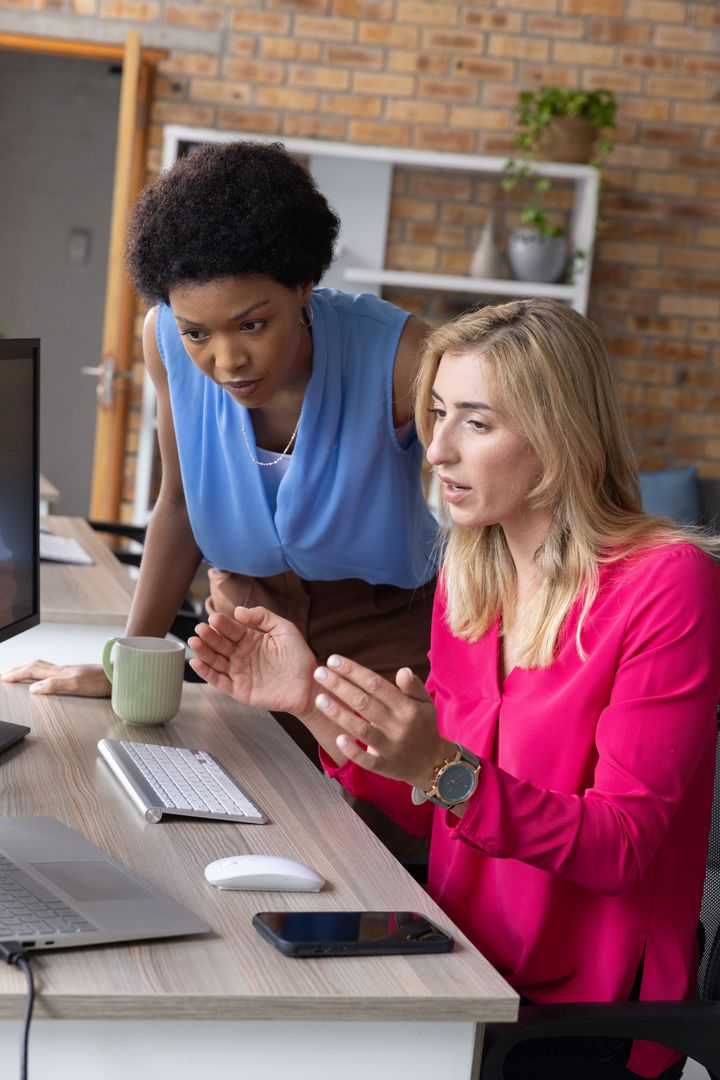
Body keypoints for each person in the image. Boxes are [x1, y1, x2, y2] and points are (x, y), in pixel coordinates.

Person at [187, 298, 720, 1080]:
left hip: (578, 1015)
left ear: (560, 433)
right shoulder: (473, 579)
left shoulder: (667, 582)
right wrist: (309, 699)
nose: (436, 451)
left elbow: (620, 849)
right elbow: (432, 804)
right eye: (435, 415)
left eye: (476, 422)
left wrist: (438, 768)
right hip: (459, 958)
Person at [1, 139, 437, 723]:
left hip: (381, 633)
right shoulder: (163, 341)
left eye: (252, 324)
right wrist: (124, 664)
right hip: (243, 635)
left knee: (361, 809)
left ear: (303, 286)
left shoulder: (401, 357)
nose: (226, 360)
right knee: (224, 794)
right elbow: (179, 506)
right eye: (198, 333)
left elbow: (490, 510)